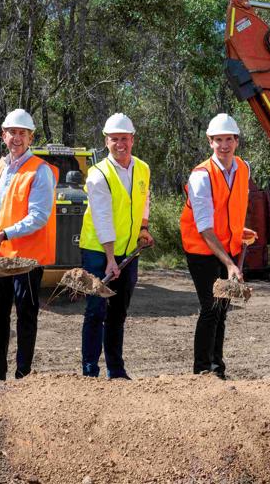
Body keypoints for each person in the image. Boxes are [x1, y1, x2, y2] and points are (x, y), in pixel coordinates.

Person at [0, 109, 58, 380]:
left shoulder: (40, 171)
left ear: (31, 137)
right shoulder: (1, 166)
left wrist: (6, 233)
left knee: (26, 318)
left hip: (26, 260)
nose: (17, 138)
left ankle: (23, 377)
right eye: (12, 133)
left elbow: (39, 216)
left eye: (23, 133)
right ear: (3, 135)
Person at [79, 113, 154, 379]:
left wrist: (143, 229)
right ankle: (90, 372)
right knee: (96, 310)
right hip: (98, 252)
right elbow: (102, 218)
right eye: (114, 139)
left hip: (128, 251)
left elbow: (143, 201)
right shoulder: (98, 174)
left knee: (118, 311)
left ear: (132, 139)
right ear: (106, 141)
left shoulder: (142, 168)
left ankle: (116, 371)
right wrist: (110, 258)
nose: (120, 144)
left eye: (124, 138)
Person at [180, 113, 249, 379]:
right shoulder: (201, 176)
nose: (224, 145)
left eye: (228, 139)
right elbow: (205, 227)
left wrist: (240, 232)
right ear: (210, 142)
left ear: (236, 141)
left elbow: (233, 207)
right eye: (218, 140)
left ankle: (217, 368)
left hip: (226, 248)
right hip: (201, 249)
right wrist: (230, 263)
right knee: (210, 307)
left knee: (222, 309)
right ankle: (201, 370)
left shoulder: (243, 168)